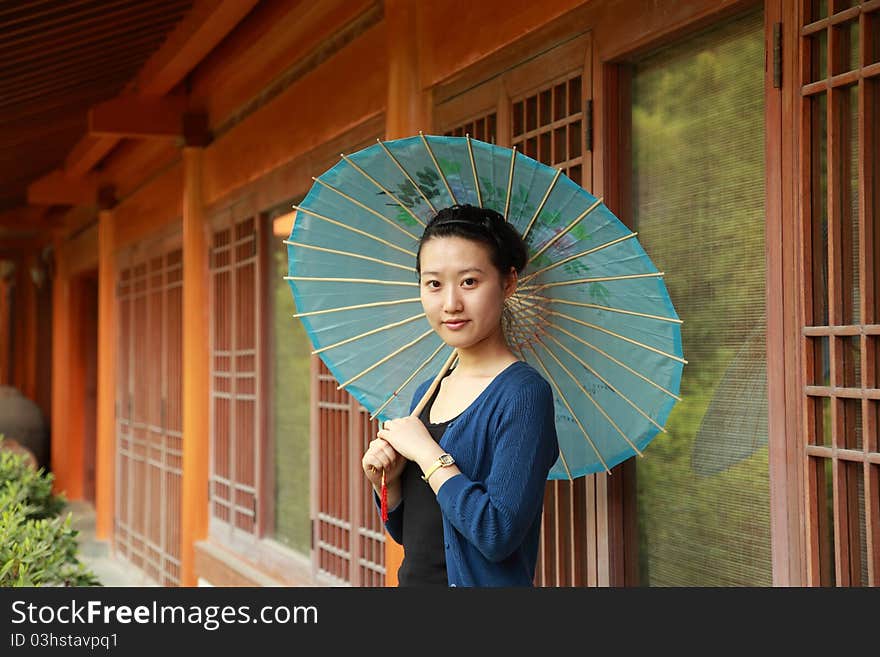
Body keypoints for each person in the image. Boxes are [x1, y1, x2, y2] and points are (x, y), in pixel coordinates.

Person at [360, 203, 559, 587]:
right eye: (434, 284)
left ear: (508, 283)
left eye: (469, 282)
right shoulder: (429, 391)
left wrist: (428, 453)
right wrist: (388, 481)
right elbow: (415, 536)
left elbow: (496, 533)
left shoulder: (523, 395)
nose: (450, 303)